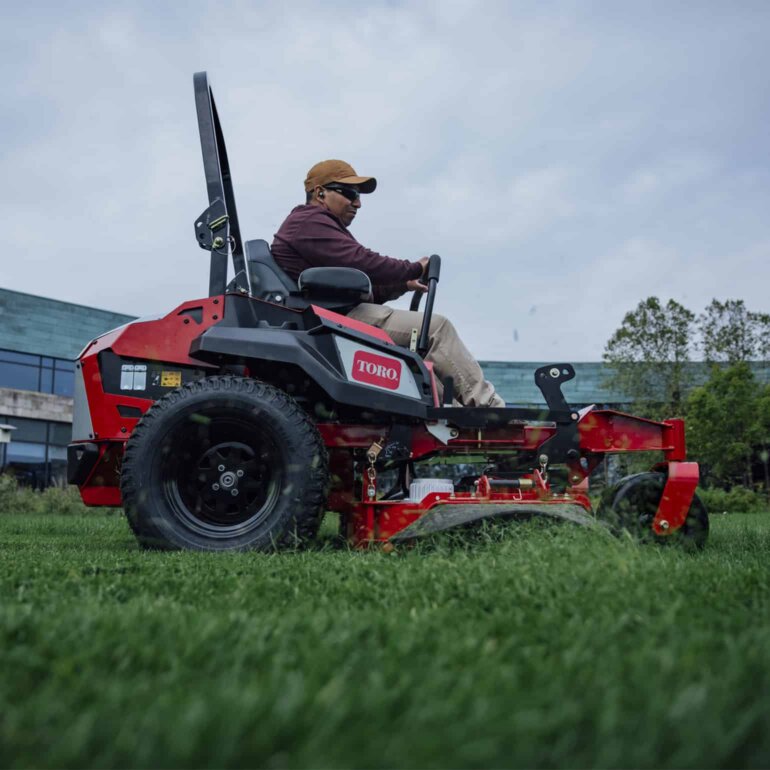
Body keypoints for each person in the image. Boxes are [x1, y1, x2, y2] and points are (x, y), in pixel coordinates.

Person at [271, 159, 505, 408]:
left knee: (420, 370)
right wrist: (415, 268)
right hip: (334, 319)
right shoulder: (308, 221)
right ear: (320, 193)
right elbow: (363, 262)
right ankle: (491, 409)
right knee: (437, 328)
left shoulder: (315, 227)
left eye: (359, 196)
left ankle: (461, 424)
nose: (358, 203)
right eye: (350, 193)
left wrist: (404, 284)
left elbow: (360, 284)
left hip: (335, 315)